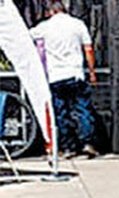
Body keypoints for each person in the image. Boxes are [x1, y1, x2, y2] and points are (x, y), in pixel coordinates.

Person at [29, 0, 99, 158]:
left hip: (55, 76)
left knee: (61, 113)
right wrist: (92, 72)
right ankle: (87, 143)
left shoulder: (45, 27)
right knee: (83, 109)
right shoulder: (78, 24)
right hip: (75, 73)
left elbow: (27, 36)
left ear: (51, 11)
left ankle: (68, 147)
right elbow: (88, 49)